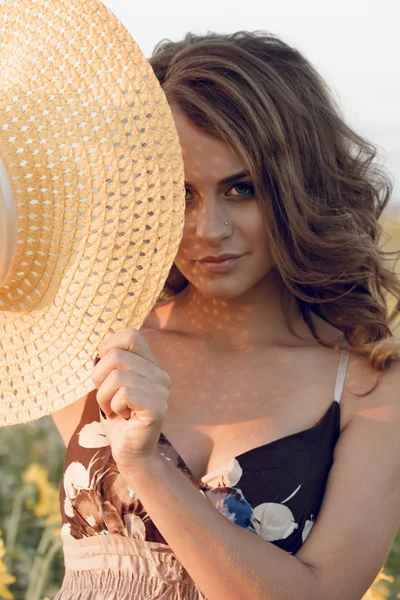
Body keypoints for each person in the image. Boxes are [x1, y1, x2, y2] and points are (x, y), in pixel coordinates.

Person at [49, 30, 400, 600]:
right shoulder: (103, 343)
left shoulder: (369, 389)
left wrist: (148, 466)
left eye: (241, 189)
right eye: (181, 194)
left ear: (298, 190)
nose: (208, 230)